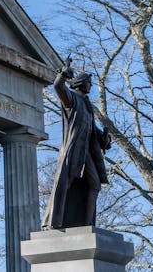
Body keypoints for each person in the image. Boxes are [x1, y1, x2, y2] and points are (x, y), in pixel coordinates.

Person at [44, 61, 112, 229]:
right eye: (89, 83)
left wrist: (104, 138)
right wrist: (63, 75)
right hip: (73, 150)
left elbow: (92, 130)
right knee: (65, 184)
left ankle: (88, 224)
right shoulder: (72, 100)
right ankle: (53, 221)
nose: (91, 86)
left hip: (86, 152)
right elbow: (59, 87)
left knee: (95, 185)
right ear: (81, 83)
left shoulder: (87, 106)